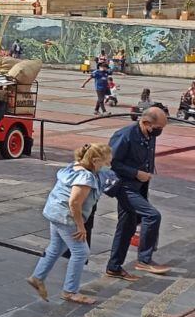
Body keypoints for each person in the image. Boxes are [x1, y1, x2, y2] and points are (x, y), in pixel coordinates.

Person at [26, 144, 112, 305]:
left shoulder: (75, 166)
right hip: (66, 217)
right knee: (81, 252)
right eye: (106, 163)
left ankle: (37, 277)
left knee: (56, 247)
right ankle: (70, 291)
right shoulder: (85, 178)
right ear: (95, 161)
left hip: (54, 212)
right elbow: (74, 203)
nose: (107, 166)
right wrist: (81, 227)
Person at [106, 108, 171, 280]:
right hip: (124, 186)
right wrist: (136, 173)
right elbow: (111, 163)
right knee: (152, 215)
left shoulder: (149, 135)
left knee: (127, 226)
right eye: (158, 127)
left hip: (140, 186)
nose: (160, 131)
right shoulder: (125, 135)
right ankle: (144, 260)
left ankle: (114, 267)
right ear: (146, 123)